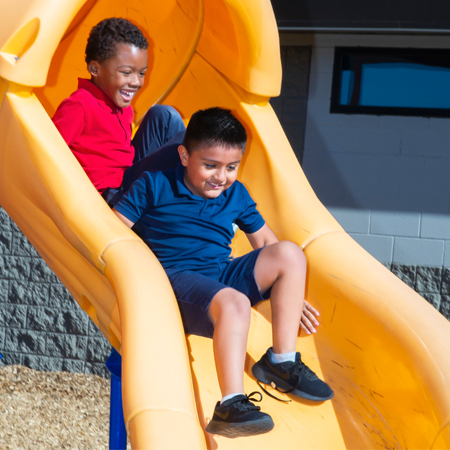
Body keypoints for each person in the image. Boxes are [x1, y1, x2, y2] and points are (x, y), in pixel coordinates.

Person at [112, 107, 334, 438]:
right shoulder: (154, 185)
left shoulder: (236, 193)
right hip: (172, 284)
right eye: (210, 165)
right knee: (234, 302)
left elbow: (266, 244)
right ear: (185, 156)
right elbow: (112, 230)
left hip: (218, 277)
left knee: (290, 253)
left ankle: (281, 361)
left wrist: (289, 295)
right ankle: (230, 404)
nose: (221, 176)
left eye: (231, 167)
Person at [52, 17, 185, 206]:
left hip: (128, 178)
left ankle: (191, 200)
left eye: (141, 73)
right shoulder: (80, 104)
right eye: (126, 72)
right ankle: (196, 205)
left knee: (164, 117)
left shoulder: (121, 106)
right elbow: (47, 148)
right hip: (111, 195)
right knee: (189, 141)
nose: (136, 82)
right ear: (95, 68)